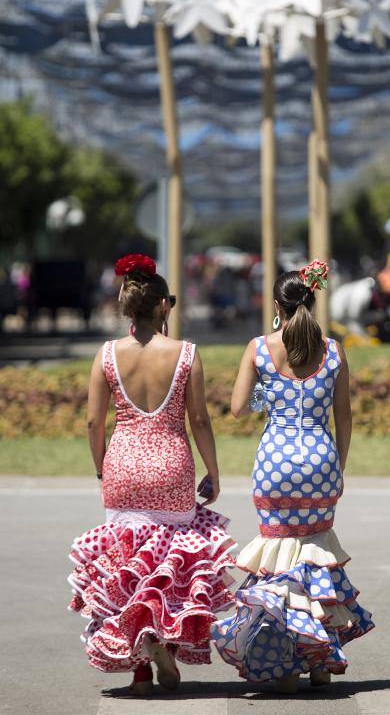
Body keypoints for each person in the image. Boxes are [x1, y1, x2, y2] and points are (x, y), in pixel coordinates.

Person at [68, 253, 236, 695]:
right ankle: (166, 645)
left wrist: (102, 466)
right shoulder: (185, 354)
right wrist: (214, 471)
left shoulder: (106, 355)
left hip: (123, 462)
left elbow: (92, 421)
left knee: (127, 567)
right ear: (164, 306)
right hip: (171, 465)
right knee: (166, 565)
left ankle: (139, 671)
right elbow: (199, 420)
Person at [212, 260, 374, 693]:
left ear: (277, 306)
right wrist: (336, 469)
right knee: (315, 558)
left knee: (278, 563)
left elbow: (239, 407)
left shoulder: (260, 347)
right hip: (320, 462)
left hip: (274, 464)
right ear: (313, 301)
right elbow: (344, 418)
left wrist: (271, 393)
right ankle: (320, 662)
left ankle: (283, 659)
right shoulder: (334, 350)